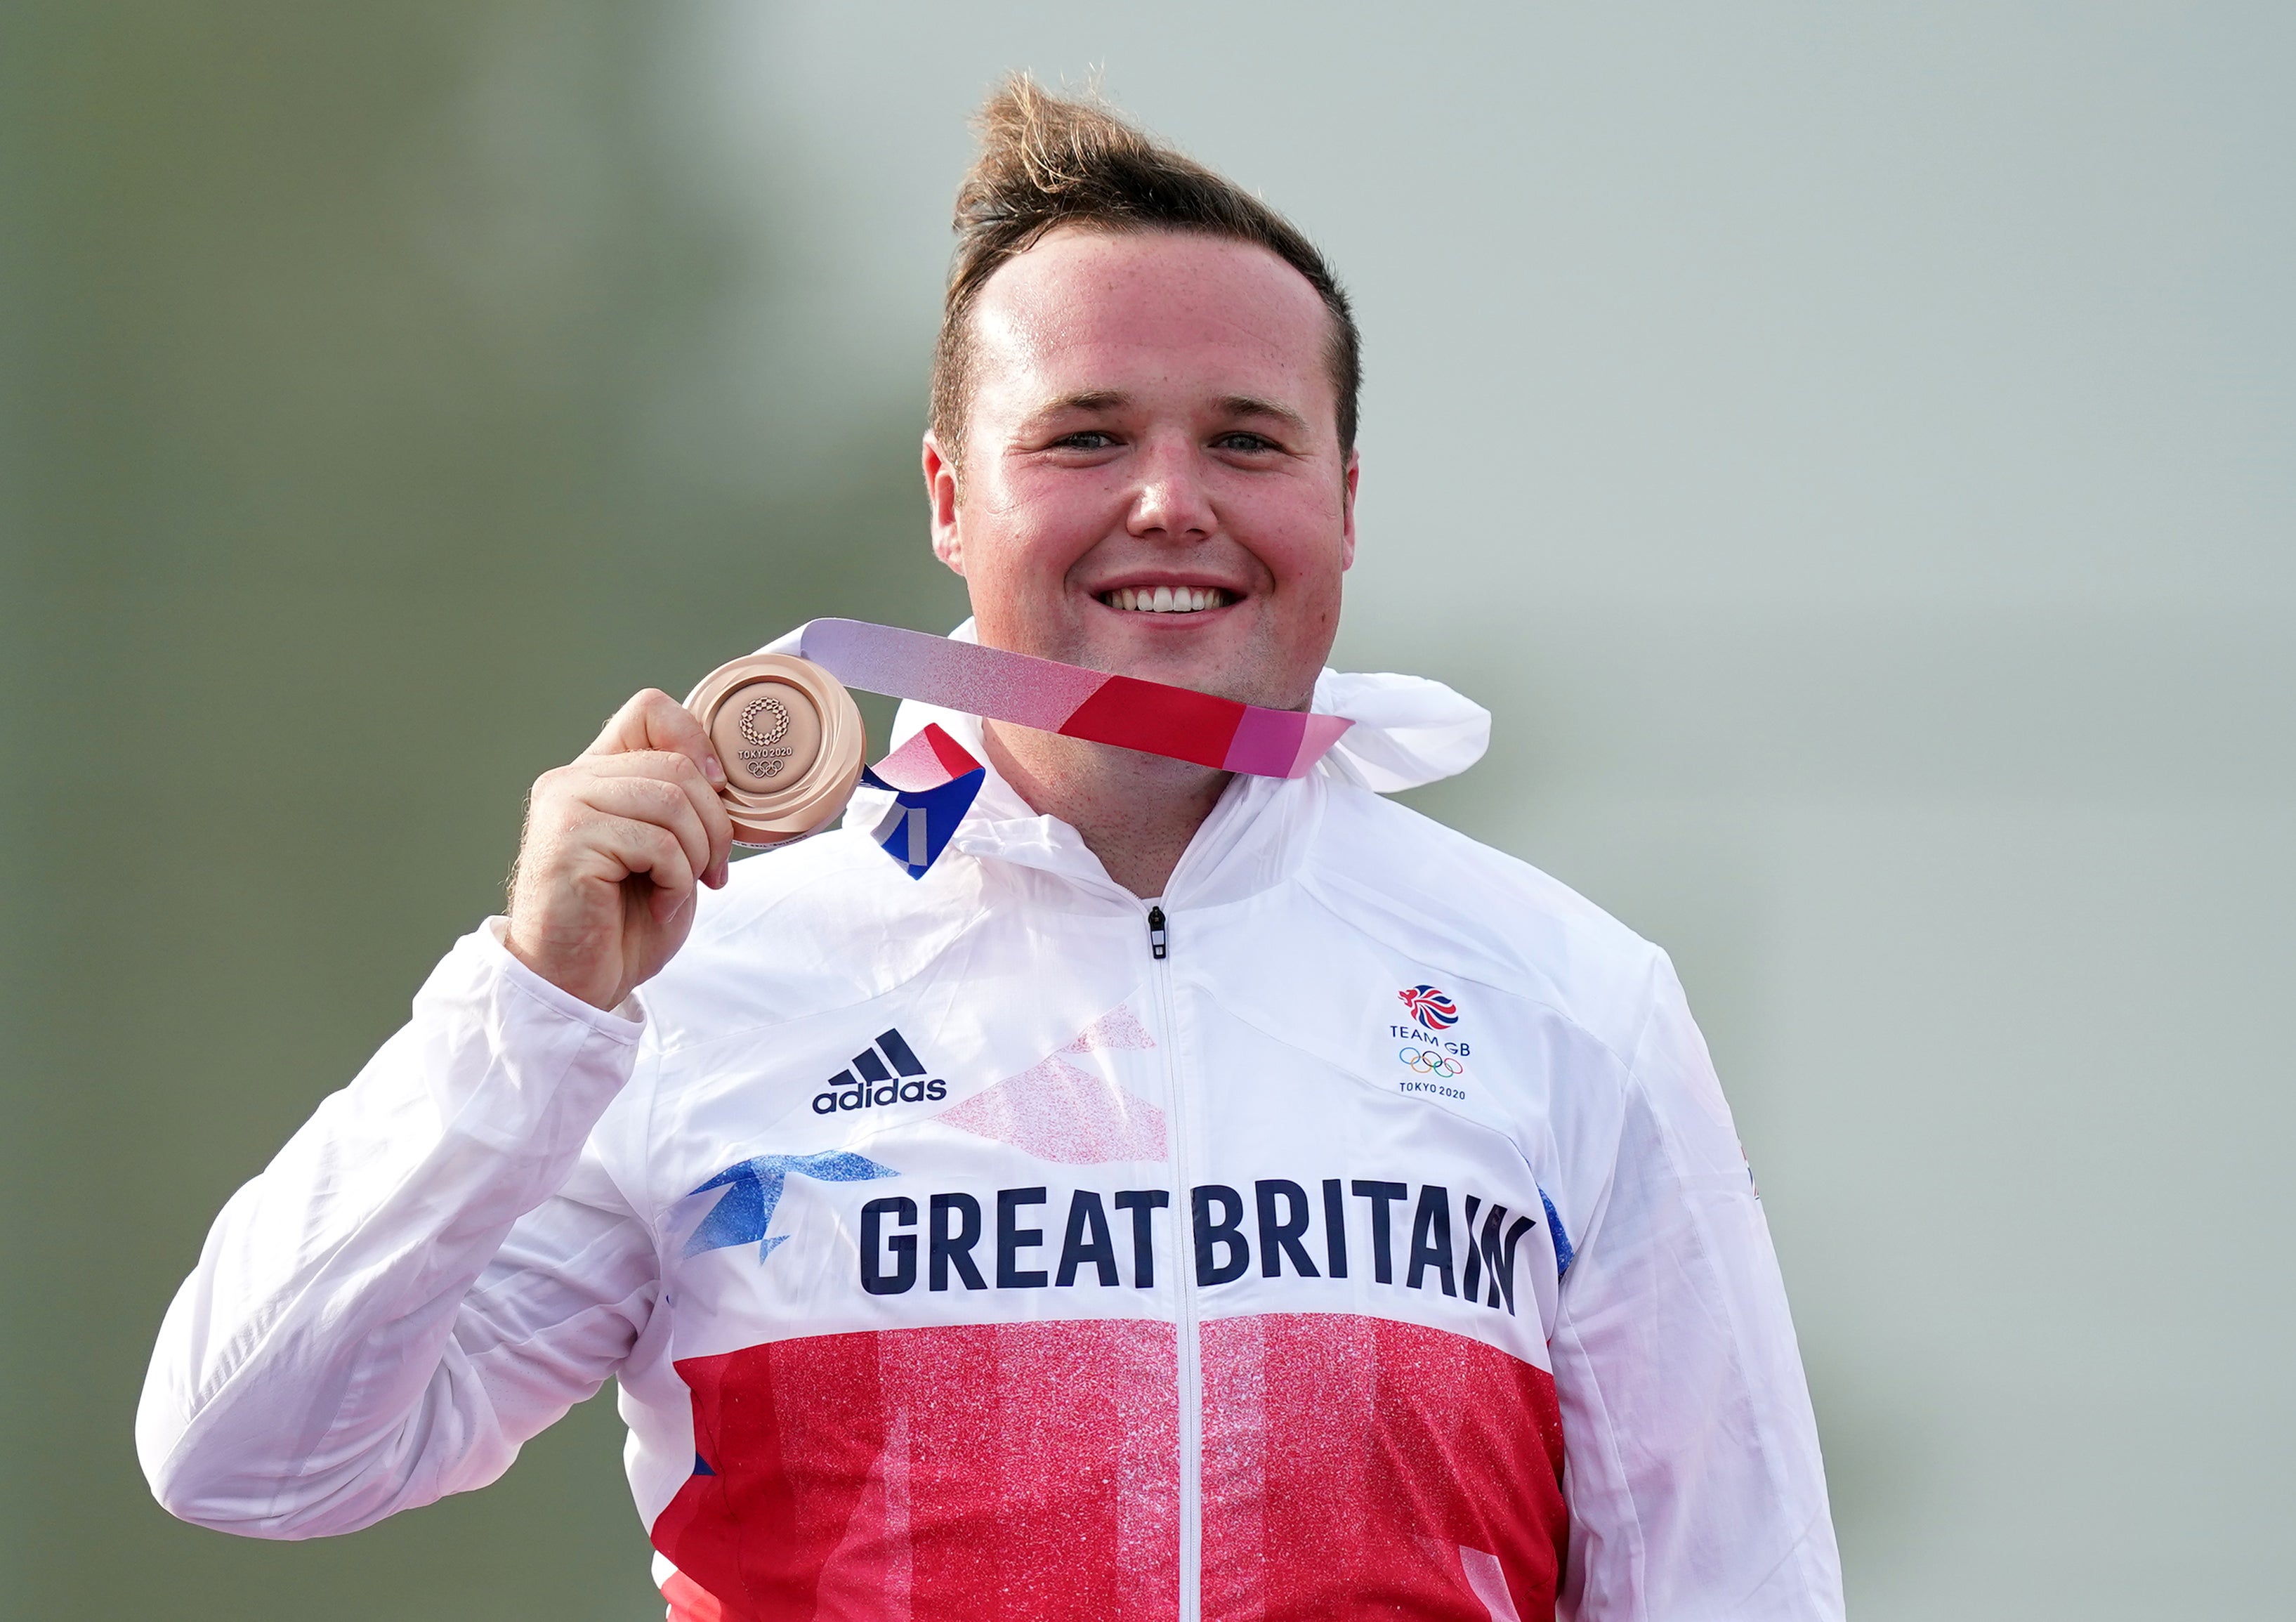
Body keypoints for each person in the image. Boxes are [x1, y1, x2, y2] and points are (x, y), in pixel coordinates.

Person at [138, 78, 1844, 1622]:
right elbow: (246, 1455)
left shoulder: (1562, 998)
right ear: (950, 498)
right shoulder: (695, 991)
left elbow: (1738, 1591)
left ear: (1343, 499)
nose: (1170, 500)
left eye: (1244, 439)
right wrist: (528, 1008)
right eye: (1087, 436)